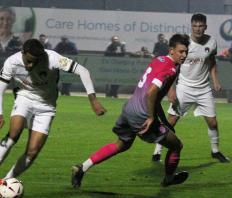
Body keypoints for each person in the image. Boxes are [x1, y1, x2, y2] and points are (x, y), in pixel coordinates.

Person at [0, 39, 107, 197]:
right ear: (23, 53)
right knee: (14, 133)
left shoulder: (52, 58)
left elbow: (83, 71)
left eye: (35, 62)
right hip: (24, 98)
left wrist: (93, 99)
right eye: (28, 61)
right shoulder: (12, 62)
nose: (30, 66)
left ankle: (7, 181)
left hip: (46, 107)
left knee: (32, 151)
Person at [71, 34, 190, 189]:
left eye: (186, 52)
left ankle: (82, 168)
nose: (184, 55)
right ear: (172, 50)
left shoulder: (159, 60)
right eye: (181, 51)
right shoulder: (170, 68)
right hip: (141, 114)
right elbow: (151, 93)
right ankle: (168, 179)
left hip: (129, 109)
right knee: (176, 146)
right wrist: (151, 117)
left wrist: (164, 121)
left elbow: (155, 96)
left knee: (121, 145)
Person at [152, 13, 230, 163]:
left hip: (203, 89)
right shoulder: (184, 43)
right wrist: (171, 89)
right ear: (191, 26)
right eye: (195, 26)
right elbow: (172, 66)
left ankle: (215, 151)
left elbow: (212, 62)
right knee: (171, 121)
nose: (198, 29)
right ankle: (157, 151)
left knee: (213, 123)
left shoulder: (211, 42)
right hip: (184, 88)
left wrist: (215, 80)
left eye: (201, 26)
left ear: (205, 26)